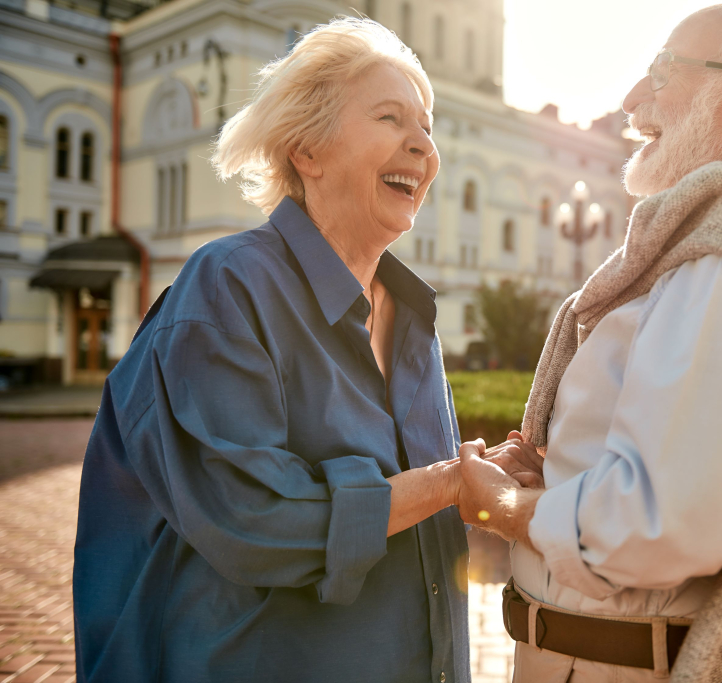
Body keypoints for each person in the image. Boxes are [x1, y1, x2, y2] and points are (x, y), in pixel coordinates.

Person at [455, 1, 722, 681]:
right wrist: (558, 481)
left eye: (663, 71)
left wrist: (502, 507)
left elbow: (657, 523)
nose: (631, 98)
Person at [73, 18, 472, 682]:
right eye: (390, 117)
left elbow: (419, 541)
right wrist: (446, 482)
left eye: (428, 127)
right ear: (307, 151)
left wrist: (485, 485)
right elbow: (258, 523)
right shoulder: (227, 289)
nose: (423, 146)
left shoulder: (415, 320)